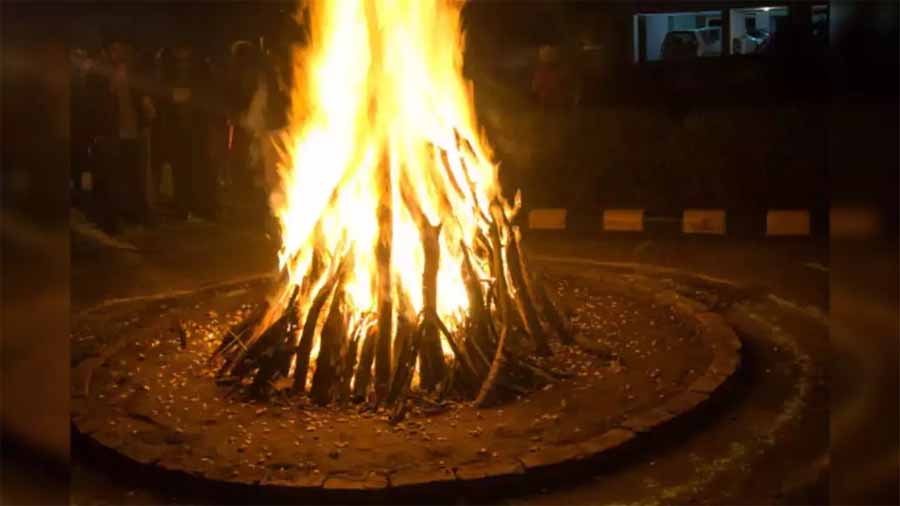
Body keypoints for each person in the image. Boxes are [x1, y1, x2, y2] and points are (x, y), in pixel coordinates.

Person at [89, 34, 155, 233]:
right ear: (107, 51)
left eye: (122, 49)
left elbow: (140, 94)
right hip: (111, 132)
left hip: (132, 131)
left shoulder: (131, 69)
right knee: (111, 177)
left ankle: (136, 214)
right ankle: (110, 221)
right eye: (115, 49)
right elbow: (94, 102)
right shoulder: (98, 71)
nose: (119, 53)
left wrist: (146, 106)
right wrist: (113, 84)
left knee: (134, 176)